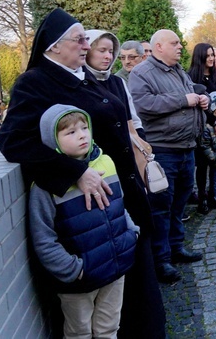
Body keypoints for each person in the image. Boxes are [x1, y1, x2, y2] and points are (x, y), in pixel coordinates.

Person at [0, 8, 165, 338]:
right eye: (79, 40)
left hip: (120, 197)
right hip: (88, 212)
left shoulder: (83, 77)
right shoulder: (36, 82)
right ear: (54, 47)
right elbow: (13, 141)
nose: (86, 47)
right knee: (111, 309)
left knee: (135, 292)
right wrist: (75, 171)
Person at [30, 105, 139, 339]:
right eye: (70, 132)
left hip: (115, 266)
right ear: (52, 139)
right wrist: (73, 270)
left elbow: (120, 205)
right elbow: (43, 238)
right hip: (80, 279)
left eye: (84, 127)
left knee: (109, 328)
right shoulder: (45, 186)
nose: (81, 135)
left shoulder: (106, 163)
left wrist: (131, 233)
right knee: (78, 332)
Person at [130, 29, 207, 283]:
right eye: (174, 43)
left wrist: (202, 101)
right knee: (161, 207)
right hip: (163, 150)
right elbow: (144, 106)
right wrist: (185, 100)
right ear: (159, 47)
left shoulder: (179, 71)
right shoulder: (142, 73)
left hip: (186, 148)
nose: (180, 47)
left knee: (179, 203)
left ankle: (177, 247)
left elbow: (190, 98)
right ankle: (161, 260)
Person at [188, 43, 216, 215]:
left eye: (213, 55)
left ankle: (215, 195)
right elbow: (199, 106)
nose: (211, 58)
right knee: (202, 165)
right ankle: (202, 197)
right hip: (202, 128)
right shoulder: (191, 77)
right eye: (207, 55)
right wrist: (214, 122)